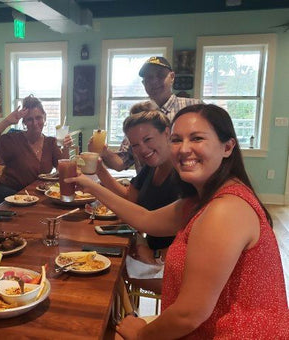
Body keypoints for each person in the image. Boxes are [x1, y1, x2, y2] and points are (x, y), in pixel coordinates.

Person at [67, 104, 288, 339]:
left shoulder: (225, 210)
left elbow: (189, 315)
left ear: (227, 146)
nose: (184, 149)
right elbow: (146, 219)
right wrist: (89, 184)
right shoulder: (201, 199)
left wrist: (142, 334)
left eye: (197, 138)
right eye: (177, 140)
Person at [96, 105, 180, 294]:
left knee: (107, 271)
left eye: (147, 139)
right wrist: (100, 170)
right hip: (150, 251)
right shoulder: (152, 166)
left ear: (167, 133)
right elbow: (128, 198)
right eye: (135, 145)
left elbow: (191, 237)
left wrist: (155, 254)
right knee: (99, 254)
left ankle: (119, 320)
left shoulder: (183, 174)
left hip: (171, 266)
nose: (142, 149)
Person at [92, 56, 201, 171]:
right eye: (149, 77)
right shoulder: (139, 115)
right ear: (143, 83)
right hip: (147, 186)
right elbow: (122, 162)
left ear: (172, 77)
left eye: (160, 75)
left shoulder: (194, 108)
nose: (154, 81)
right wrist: (104, 152)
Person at [0, 95, 72, 207]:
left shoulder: (51, 142)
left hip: (34, 198)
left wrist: (66, 148)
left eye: (38, 118)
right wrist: (8, 121)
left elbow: (63, 170)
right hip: (8, 195)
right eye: (29, 119)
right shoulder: (13, 139)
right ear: (24, 122)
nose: (35, 123)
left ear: (45, 117)